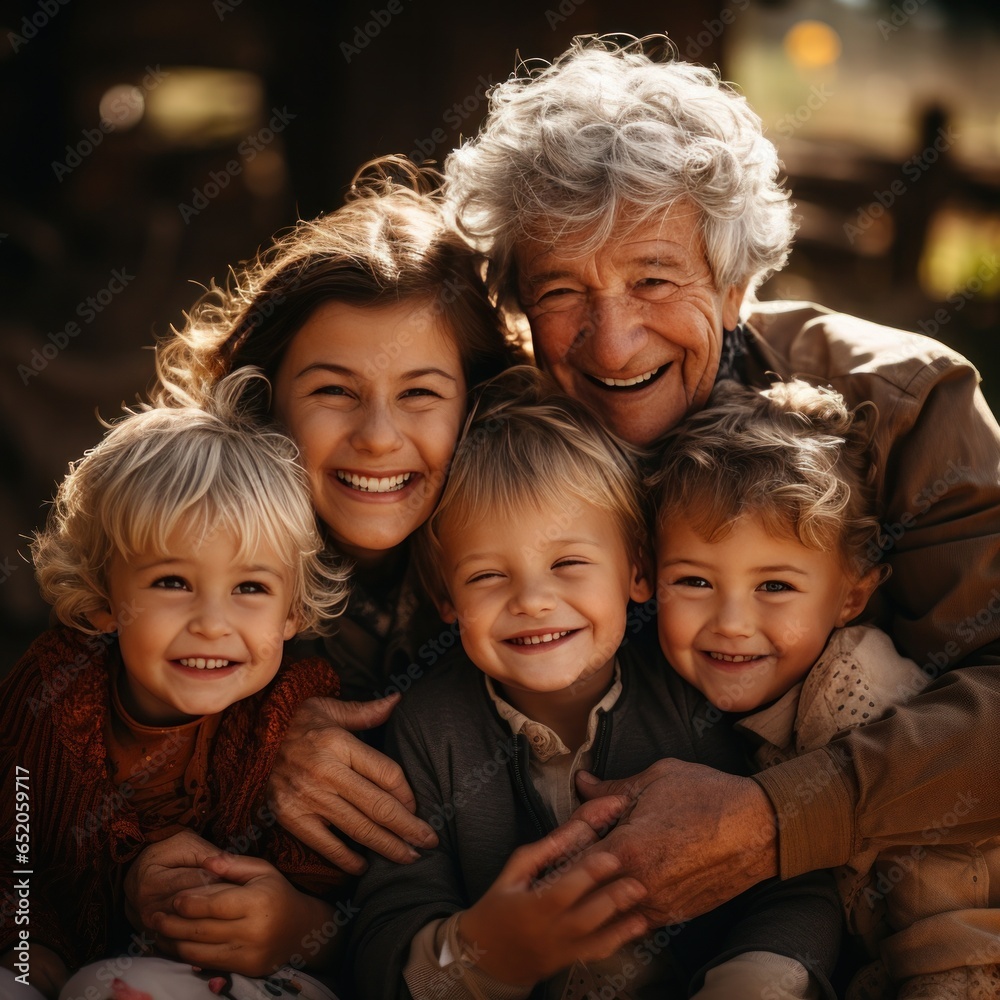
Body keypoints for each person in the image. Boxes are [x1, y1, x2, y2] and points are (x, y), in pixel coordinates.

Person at [436, 31, 1000, 962]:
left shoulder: (907, 408)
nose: (612, 344)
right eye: (564, 293)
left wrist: (778, 821)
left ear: (735, 286)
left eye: (654, 280)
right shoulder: (496, 439)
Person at [351, 366, 842, 1000]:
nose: (532, 601)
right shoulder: (428, 725)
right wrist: (479, 953)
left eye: (568, 564)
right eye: (486, 577)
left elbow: (795, 878)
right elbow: (383, 922)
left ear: (638, 574)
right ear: (446, 600)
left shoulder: (697, 695)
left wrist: (756, 974)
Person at [147, 154, 524, 882]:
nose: (378, 436)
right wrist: (253, 739)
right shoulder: (178, 534)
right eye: (333, 391)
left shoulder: (532, 551)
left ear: (478, 402)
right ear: (263, 398)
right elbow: (84, 730)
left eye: (420, 394)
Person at [0, 369, 351, 1000]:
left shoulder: (292, 714)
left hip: (260, 972)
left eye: (251, 588)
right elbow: (16, 859)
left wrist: (294, 924)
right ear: (104, 598)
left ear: (294, 611)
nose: (212, 624)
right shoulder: (52, 690)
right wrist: (29, 949)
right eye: (172, 583)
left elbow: (340, 898)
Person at [651, 377, 1000, 998]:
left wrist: (949, 981)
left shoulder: (858, 692)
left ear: (851, 597)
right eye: (695, 582)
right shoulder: (679, 698)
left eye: (776, 586)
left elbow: (947, 863)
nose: (731, 622)